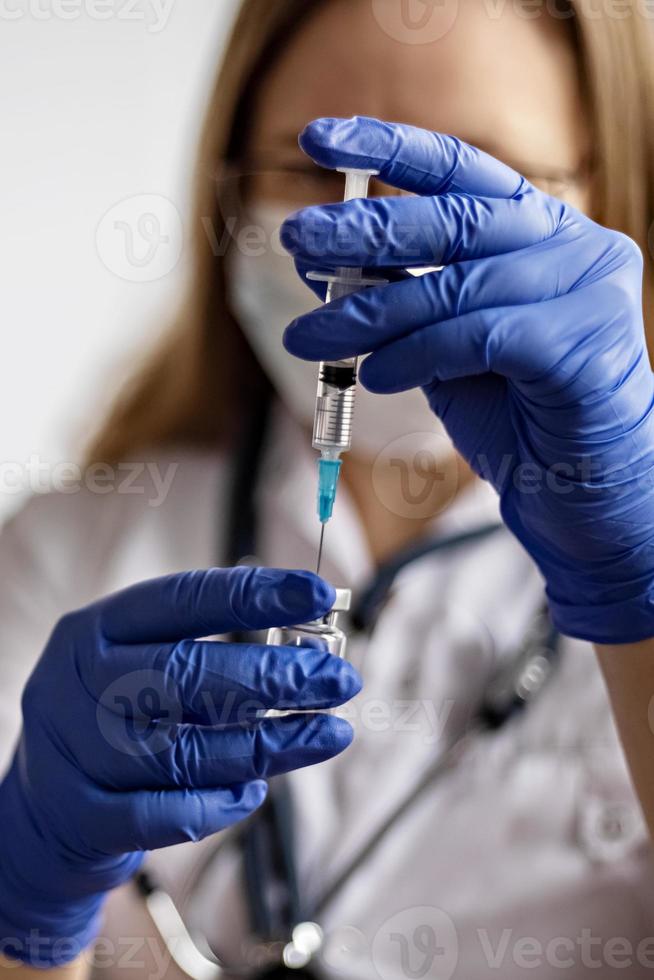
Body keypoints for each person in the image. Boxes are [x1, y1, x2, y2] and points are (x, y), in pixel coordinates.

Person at [2, 1, 654, 977]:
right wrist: (26, 921)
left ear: (611, 193)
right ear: (224, 190)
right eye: (317, 173)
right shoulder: (70, 551)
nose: (372, 240)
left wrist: (639, 598)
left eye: (463, 177)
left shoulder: (633, 547)